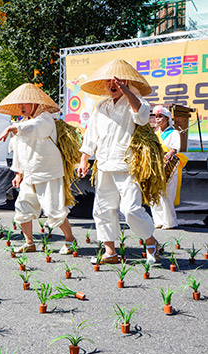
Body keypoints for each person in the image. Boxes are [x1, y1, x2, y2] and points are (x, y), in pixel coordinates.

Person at [77, 59, 158, 264]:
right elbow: (91, 135)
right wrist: (84, 158)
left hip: (127, 164)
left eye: (118, 82)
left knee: (131, 209)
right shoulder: (101, 106)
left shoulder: (137, 100)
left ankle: (151, 241)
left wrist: (126, 90)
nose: (112, 85)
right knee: (102, 209)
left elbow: (141, 117)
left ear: (127, 83)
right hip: (104, 164)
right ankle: (110, 252)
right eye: (109, 82)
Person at [0, 83, 76, 254]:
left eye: (24, 103)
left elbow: (36, 128)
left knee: (53, 209)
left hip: (48, 172)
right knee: (23, 206)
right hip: (29, 174)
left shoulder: (45, 119)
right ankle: (29, 242)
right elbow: (19, 150)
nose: (21, 107)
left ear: (35, 103)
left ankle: (70, 239)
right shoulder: (23, 123)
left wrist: (13, 127)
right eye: (19, 104)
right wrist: (18, 173)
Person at [151, 105, 187, 230]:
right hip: (156, 165)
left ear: (167, 118)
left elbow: (175, 148)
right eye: (156, 116)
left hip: (169, 165)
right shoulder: (155, 133)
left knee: (166, 193)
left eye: (160, 116)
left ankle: (170, 222)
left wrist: (170, 152)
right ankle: (158, 220)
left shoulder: (174, 132)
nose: (158, 119)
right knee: (154, 193)